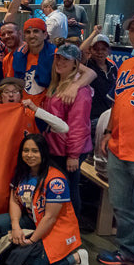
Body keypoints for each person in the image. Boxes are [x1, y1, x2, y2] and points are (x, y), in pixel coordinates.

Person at [0, 134, 89, 265]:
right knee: (0, 222)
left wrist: (31, 241)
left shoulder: (56, 180)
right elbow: (15, 200)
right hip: (35, 221)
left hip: (56, 228)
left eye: (35, 151)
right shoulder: (22, 172)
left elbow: (50, 217)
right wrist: (16, 226)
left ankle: (77, 257)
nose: (29, 155)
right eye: (26, 150)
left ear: (43, 152)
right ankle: (29, 250)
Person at [98, 14, 134, 265]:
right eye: (133, 31)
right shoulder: (126, 66)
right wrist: (108, 131)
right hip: (119, 147)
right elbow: (118, 102)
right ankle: (131, 252)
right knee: (122, 207)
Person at [41, 44, 93, 216]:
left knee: (68, 191)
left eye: (66, 59)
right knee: (60, 190)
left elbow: (79, 125)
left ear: (75, 64)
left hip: (67, 151)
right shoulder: (57, 84)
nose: (61, 62)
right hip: (55, 148)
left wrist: (73, 155)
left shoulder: (79, 91)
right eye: (59, 57)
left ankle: (72, 230)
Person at [81, 27, 117, 131]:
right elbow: (81, 50)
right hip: (92, 118)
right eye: (96, 49)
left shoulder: (112, 67)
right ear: (90, 50)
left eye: (103, 49)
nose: (100, 52)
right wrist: (94, 33)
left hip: (109, 116)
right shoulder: (87, 65)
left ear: (109, 50)